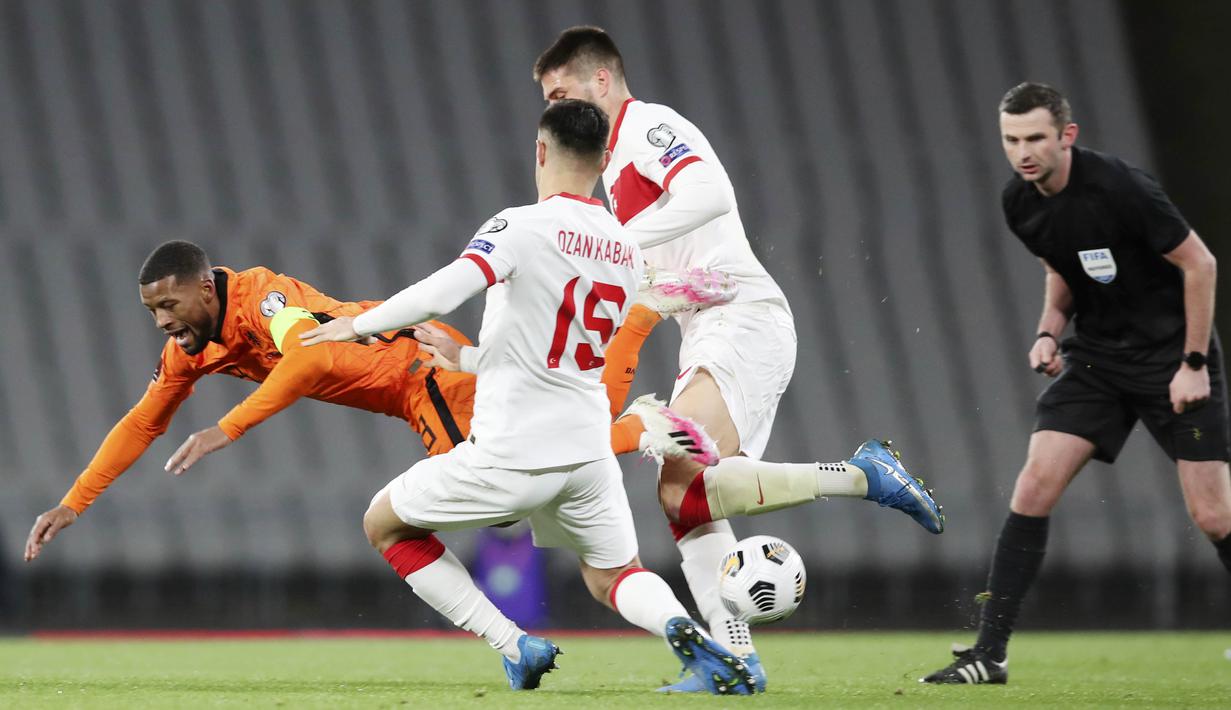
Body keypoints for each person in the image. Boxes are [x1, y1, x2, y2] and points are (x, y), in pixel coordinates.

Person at [532, 26, 944, 691]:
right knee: (683, 500)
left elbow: (711, 194)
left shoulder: (648, 126)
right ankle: (737, 660)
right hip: (708, 325)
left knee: (680, 479)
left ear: (601, 80)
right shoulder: (610, 164)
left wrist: (613, 240)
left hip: (740, 315)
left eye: (561, 94)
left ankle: (863, 474)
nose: (554, 110)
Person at [299, 99, 758, 694]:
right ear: (604, 161)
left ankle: (514, 645)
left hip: (513, 451)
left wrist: (355, 325)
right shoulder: (625, 247)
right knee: (613, 574)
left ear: (540, 152)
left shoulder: (520, 225)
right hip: (587, 452)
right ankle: (683, 630)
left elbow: (443, 293)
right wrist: (467, 358)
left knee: (385, 525)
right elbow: (554, 348)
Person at [22, 239, 713, 563]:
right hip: (409, 388)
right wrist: (73, 502)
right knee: (543, 454)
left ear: (205, 289)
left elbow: (310, 356)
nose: (161, 322)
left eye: (168, 306)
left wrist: (226, 429)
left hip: (417, 367)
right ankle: (640, 349)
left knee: (509, 486)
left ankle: (641, 392)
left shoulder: (265, 299)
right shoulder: (191, 347)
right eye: (152, 311)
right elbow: (142, 421)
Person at [922, 82, 1231, 685]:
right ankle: (990, 654)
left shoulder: (1122, 187)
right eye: (1011, 140)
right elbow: (1061, 267)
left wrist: (1193, 362)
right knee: (1033, 485)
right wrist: (1048, 331)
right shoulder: (1019, 202)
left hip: (1172, 358)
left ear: (1067, 135)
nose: (1023, 152)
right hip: (1097, 360)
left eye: (1035, 138)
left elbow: (1201, 264)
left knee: (1215, 516)